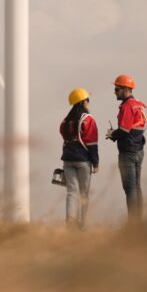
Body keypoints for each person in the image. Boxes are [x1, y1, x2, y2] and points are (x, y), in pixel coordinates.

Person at [106, 74, 147, 221]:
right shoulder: (138, 104)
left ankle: (133, 224)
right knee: (136, 187)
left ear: (125, 89)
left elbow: (124, 130)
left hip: (128, 152)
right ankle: (139, 222)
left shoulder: (128, 106)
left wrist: (112, 134)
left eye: (117, 89)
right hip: (138, 150)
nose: (115, 92)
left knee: (130, 189)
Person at [59, 88, 98, 228]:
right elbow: (92, 143)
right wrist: (96, 162)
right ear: (83, 102)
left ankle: (70, 221)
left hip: (67, 160)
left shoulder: (65, 121)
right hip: (83, 161)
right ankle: (83, 224)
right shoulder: (88, 120)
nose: (89, 102)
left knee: (71, 192)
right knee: (84, 193)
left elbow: (64, 136)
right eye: (88, 100)